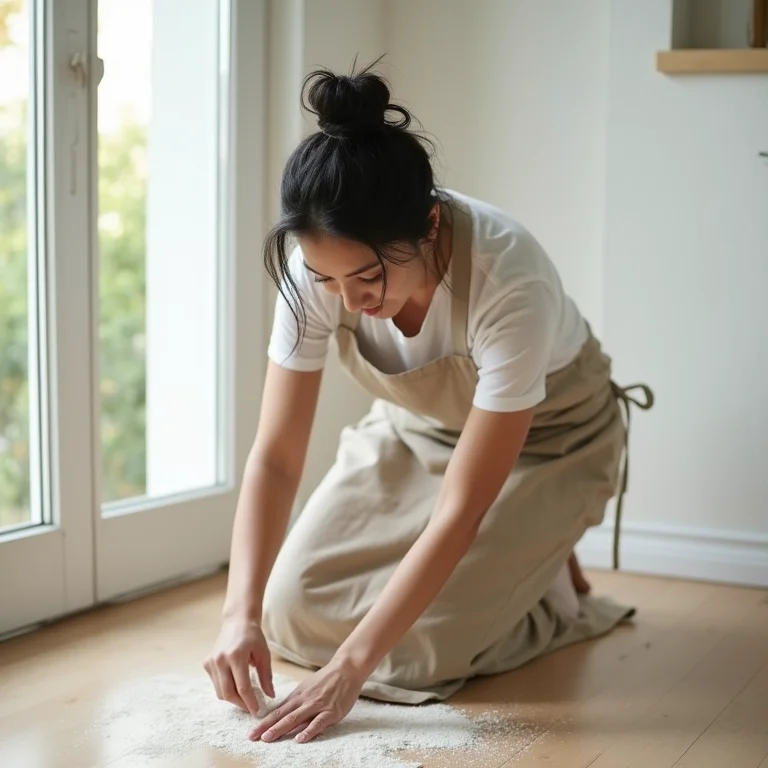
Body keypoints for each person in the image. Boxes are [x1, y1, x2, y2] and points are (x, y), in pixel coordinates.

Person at [203, 62, 653, 745]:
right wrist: (239, 615)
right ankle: (519, 560)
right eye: (327, 278)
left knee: (413, 654)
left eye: (369, 275)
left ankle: (546, 590)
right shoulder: (315, 268)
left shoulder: (509, 277)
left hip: (551, 441)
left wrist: (354, 666)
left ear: (431, 224)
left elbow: (463, 507)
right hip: (418, 430)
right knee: (289, 610)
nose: (349, 300)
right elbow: (276, 456)